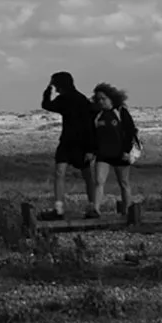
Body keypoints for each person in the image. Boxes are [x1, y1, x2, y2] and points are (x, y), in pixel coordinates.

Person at [40, 71, 96, 220]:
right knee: (83, 175)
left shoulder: (76, 100)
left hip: (77, 142)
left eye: (54, 84)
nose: (54, 87)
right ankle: (67, 208)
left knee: (67, 174)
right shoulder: (75, 98)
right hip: (71, 142)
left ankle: (89, 207)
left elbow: (46, 105)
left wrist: (47, 92)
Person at [88, 82, 138, 218]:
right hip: (103, 154)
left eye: (103, 98)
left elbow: (130, 132)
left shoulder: (120, 112)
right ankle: (96, 209)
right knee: (99, 181)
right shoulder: (97, 115)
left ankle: (128, 211)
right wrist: (92, 151)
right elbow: (93, 135)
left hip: (120, 153)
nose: (101, 101)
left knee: (124, 183)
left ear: (111, 98)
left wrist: (127, 151)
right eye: (98, 99)